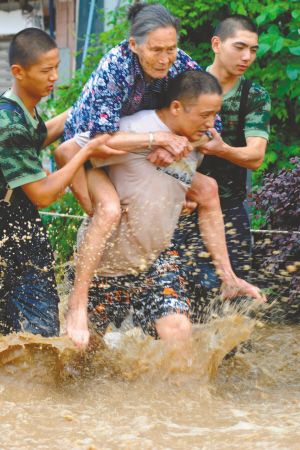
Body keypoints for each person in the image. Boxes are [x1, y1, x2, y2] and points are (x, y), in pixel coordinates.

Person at [56, 3, 243, 334]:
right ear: (133, 45)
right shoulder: (115, 67)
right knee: (110, 210)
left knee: (206, 189)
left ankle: (228, 279)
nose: (165, 58)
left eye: (170, 48)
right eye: (156, 50)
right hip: (91, 148)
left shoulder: (180, 63)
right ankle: (77, 304)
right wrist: (154, 139)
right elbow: (99, 139)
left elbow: (207, 117)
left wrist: (181, 145)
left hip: (141, 150)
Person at [63, 71, 265, 349]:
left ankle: (180, 394)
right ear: (177, 107)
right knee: (83, 356)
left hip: (154, 261)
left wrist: (228, 277)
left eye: (215, 114)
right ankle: (78, 302)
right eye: (205, 115)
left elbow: (199, 188)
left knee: (178, 332)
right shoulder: (133, 128)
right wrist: (92, 206)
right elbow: (68, 151)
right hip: (103, 264)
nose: (211, 123)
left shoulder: (196, 140)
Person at [0, 28, 123, 337]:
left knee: (15, 338)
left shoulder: (19, 109)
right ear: (19, 72)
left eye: (56, 67)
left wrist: (87, 103)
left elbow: (41, 135)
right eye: (46, 70)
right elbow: (42, 194)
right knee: (39, 338)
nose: (54, 76)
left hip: (17, 229)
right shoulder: (9, 123)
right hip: (12, 236)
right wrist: (85, 151)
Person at [183, 15, 270, 297]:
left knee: (236, 305)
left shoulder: (253, 95)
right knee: (185, 300)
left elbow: (256, 156)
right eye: (240, 47)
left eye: (253, 50)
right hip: (184, 207)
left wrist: (222, 149)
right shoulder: (188, 84)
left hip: (231, 210)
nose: (247, 57)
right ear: (217, 44)